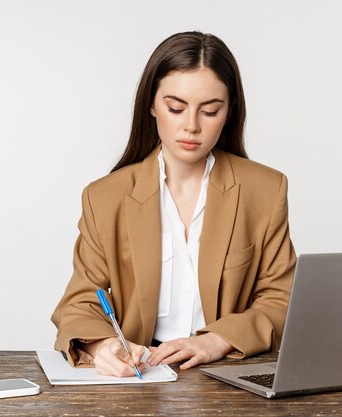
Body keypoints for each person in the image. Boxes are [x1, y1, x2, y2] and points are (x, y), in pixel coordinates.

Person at [51, 31, 296, 377]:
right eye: (176, 108)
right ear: (151, 104)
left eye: (210, 111)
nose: (191, 126)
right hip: (140, 376)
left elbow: (282, 299)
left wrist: (218, 340)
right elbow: (78, 303)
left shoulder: (265, 189)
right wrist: (103, 345)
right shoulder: (105, 197)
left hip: (227, 373)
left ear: (228, 112)